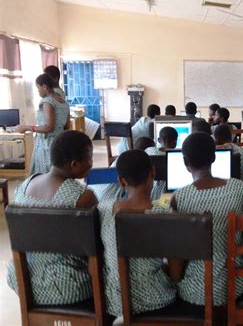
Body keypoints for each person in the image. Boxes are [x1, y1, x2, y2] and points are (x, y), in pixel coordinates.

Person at [7, 130, 97, 305]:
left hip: (22, 278)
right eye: (90, 159)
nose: (92, 163)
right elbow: (95, 245)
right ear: (74, 164)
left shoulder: (25, 185)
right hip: (66, 285)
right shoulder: (82, 197)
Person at [168, 132, 243, 306]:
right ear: (214, 157)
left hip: (196, 291)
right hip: (236, 285)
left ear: (185, 162)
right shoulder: (238, 188)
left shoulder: (180, 198)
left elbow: (177, 250)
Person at [99, 150, 176, 316]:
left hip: (116, 302)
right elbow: (175, 272)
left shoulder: (104, 209)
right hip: (157, 299)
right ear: (153, 173)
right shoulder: (163, 214)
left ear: (120, 181)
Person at [15, 73, 70, 175]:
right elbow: (66, 126)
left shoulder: (47, 101)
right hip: (60, 143)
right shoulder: (65, 103)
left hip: (47, 145)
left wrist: (26, 127)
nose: (38, 91)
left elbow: (49, 127)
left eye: (38, 88)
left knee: (44, 175)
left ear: (45, 87)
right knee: (57, 175)